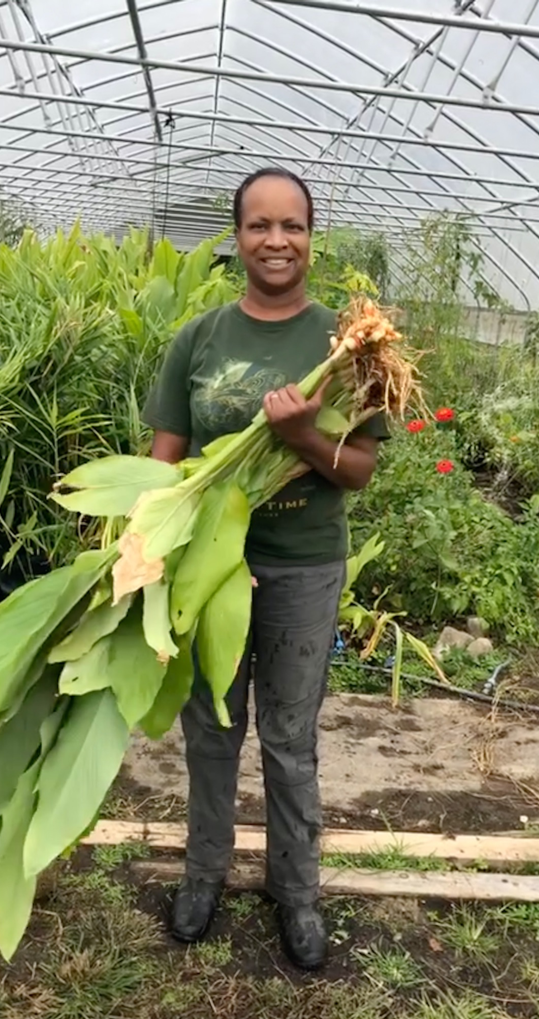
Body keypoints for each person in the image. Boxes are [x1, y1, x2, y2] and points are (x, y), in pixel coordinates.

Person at [142, 168, 387, 970]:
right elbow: (165, 465)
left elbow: (355, 472)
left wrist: (305, 438)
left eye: (292, 226)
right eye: (258, 226)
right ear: (236, 238)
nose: (276, 241)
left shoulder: (349, 346)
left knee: (289, 738)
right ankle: (203, 875)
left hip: (303, 569)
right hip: (211, 572)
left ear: (312, 236)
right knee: (210, 731)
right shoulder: (200, 339)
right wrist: (153, 552)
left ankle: (297, 893)